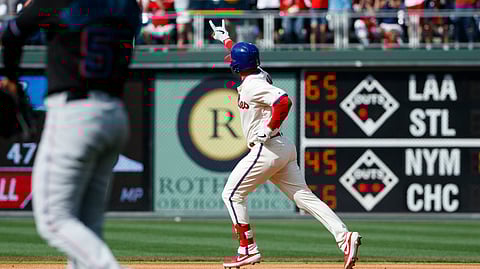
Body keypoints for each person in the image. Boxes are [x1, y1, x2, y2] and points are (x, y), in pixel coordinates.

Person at [210, 19, 362, 269]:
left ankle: (247, 249)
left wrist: (267, 130)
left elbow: (283, 101)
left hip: (267, 148)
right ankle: (344, 237)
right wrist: (226, 40)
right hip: (283, 147)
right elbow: (246, 56)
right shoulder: (259, 73)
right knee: (305, 197)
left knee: (232, 194)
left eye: (232, 61)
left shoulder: (252, 85)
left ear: (238, 67)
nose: (231, 64)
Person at [1, 0, 141, 268]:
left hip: (75, 114)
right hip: (115, 114)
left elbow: (13, 33)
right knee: (87, 225)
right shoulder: (129, 6)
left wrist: (10, 77)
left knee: (52, 220)